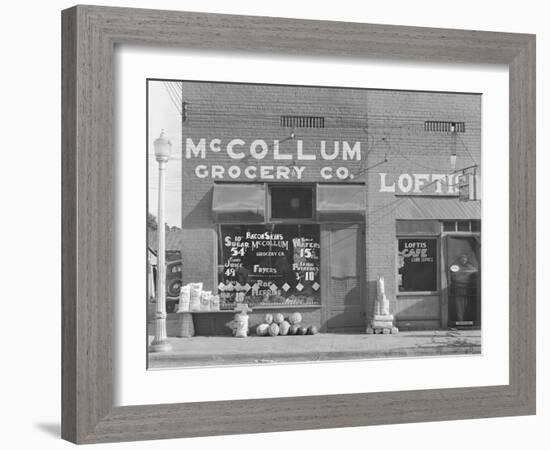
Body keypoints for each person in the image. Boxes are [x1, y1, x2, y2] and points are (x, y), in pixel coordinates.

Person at [450, 254, 478, 322]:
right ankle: (460, 319)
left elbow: (475, 270)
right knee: (458, 305)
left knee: (466, 304)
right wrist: (462, 273)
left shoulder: (469, 266)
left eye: (465, 259)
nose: (463, 261)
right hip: (458, 288)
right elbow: (453, 274)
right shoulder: (456, 266)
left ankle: (464, 319)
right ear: (459, 260)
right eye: (462, 259)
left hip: (466, 288)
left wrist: (466, 272)